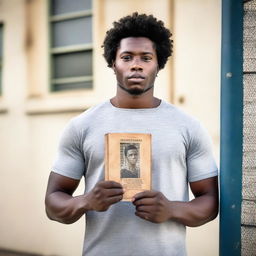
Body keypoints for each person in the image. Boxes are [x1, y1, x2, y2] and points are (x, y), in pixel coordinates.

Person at [45, 12, 219, 256]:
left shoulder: (188, 127)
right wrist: (85, 201)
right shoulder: (82, 126)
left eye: (146, 58)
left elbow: (210, 202)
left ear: (159, 64)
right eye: (126, 57)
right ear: (113, 63)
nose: (136, 64)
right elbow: (53, 203)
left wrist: (172, 209)